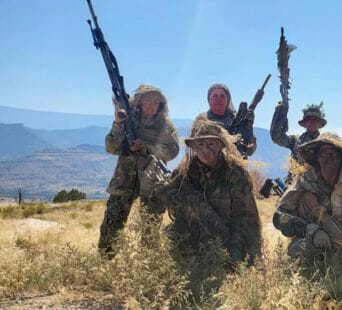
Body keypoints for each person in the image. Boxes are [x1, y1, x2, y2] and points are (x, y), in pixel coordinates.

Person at [273, 133, 342, 294]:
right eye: (323, 153)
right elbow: (279, 217)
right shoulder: (303, 182)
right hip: (310, 243)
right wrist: (312, 231)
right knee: (306, 284)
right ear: (316, 157)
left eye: (334, 154)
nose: (329, 158)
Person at [158, 118, 262, 267]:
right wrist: (184, 201)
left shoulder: (234, 174)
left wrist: (253, 255)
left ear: (221, 145)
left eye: (211, 144)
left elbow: (247, 219)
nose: (205, 150)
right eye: (200, 144)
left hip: (228, 233)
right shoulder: (184, 172)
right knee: (170, 239)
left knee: (233, 263)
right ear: (193, 147)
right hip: (194, 230)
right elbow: (167, 197)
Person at [99, 84, 179, 259]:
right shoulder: (127, 120)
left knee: (151, 227)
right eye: (147, 100)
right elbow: (111, 147)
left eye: (156, 102)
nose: (152, 105)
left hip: (153, 182)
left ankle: (148, 267)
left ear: (161, 105)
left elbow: (172, 150)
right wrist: (118, 125)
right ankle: (104, 263)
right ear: (140, 102)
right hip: (123, 180)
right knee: (112, 225)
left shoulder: (165, 126)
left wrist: (145, 147)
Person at [194, 83, 257, 157]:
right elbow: (195, 147)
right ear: (209, 99)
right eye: (215, 96)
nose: (219, 99)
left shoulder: (236, 120)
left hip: (235, 164)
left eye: (222, 96)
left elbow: (249, 151)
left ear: (228, 99)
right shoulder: (202, 121)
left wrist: (248, 128)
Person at [270, 102, 327, 182]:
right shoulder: (295, 140)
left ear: (320, 123)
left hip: (319, 187)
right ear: (304, 123)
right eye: (309, 119)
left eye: (315, 119)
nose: (312, 122)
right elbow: (277, 138)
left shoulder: (326, 142)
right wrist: (279, 113)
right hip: (295, 185)